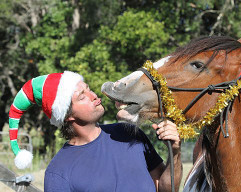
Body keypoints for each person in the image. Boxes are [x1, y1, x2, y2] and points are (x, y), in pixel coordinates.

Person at [8, 71, 182, 192]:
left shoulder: (128, 133)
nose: (93, 96)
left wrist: (174, 153)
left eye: (88, 89)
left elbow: (164, 189)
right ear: (67, 115)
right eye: (82, 96)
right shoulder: (58, 172)